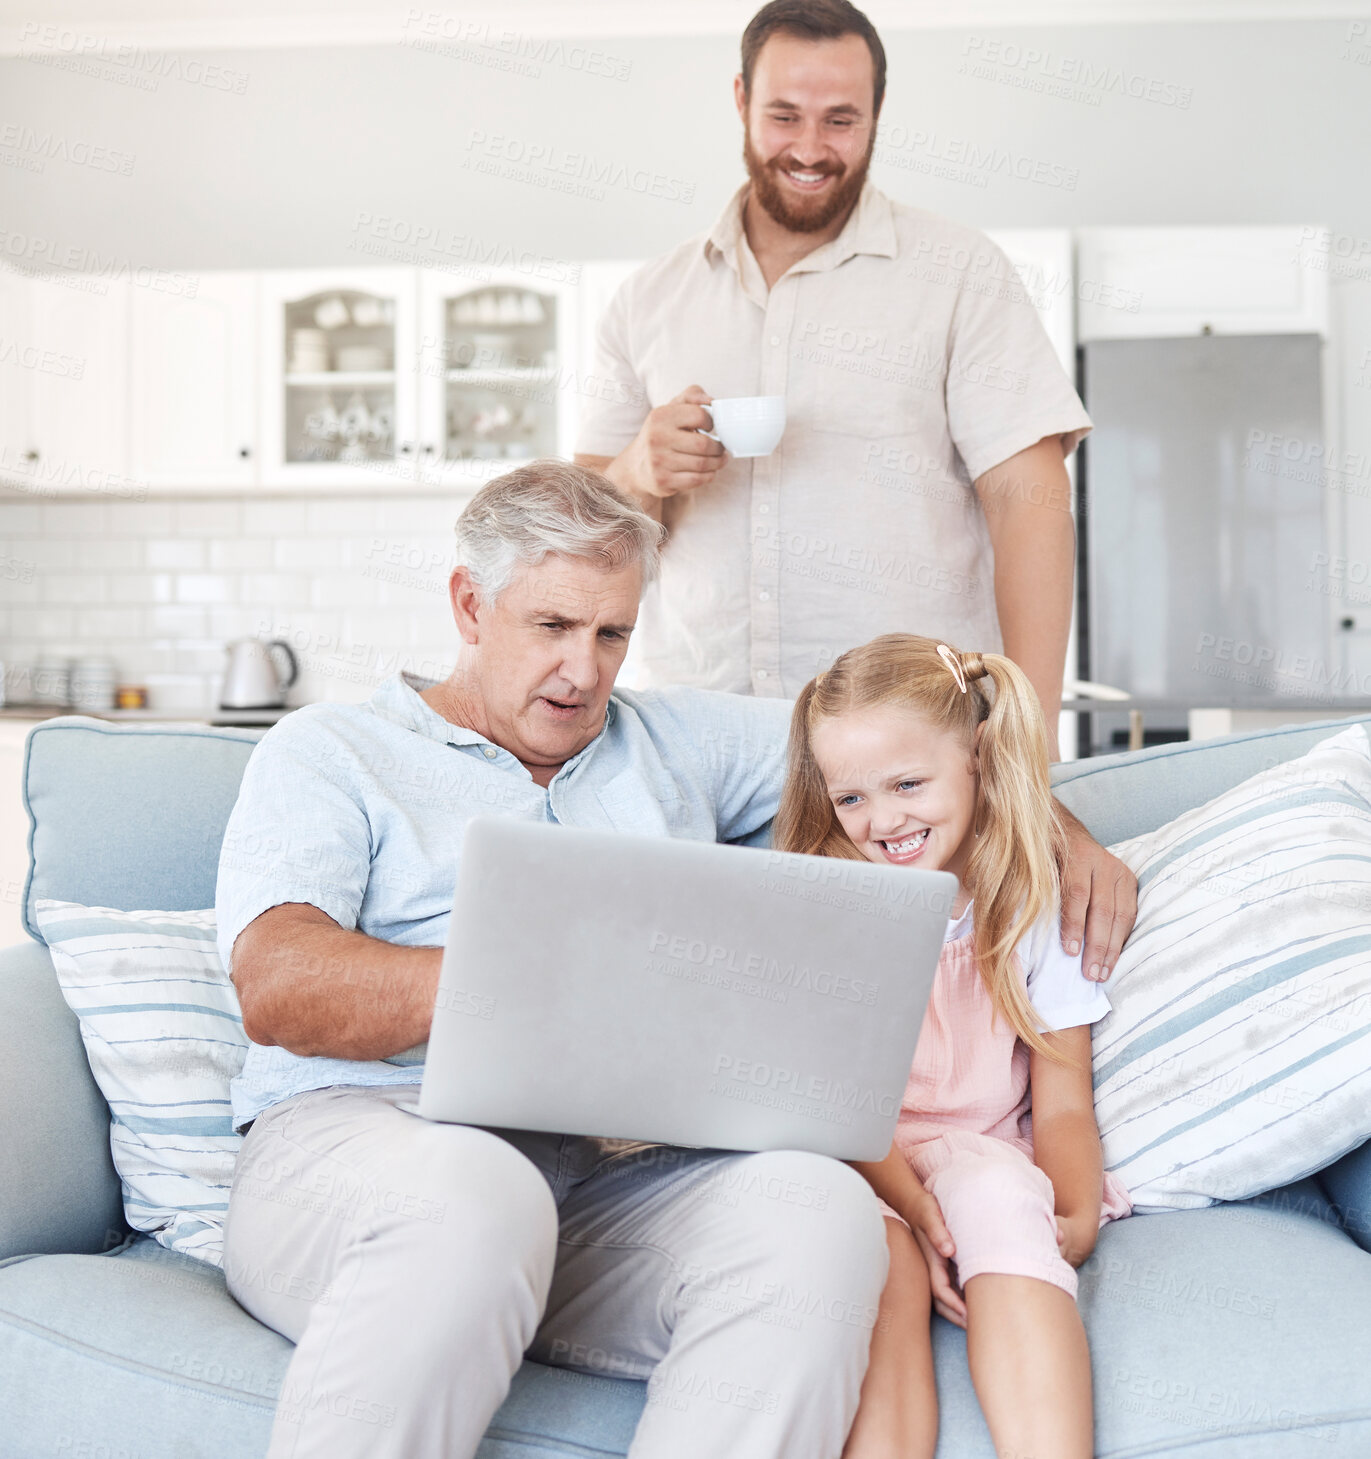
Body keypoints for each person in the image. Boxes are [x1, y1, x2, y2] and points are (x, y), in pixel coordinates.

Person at [216, 463, 1133, 1458]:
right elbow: (280, 984)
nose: (583, 672)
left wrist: (1060, 826)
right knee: (479, 1192)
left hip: (613, 1181)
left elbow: (920, 739)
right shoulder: (332, 751)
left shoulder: (678, 740)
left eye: (612, 634)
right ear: (469, 604)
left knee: (821, 1209)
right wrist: (542, 975)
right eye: (552, 627)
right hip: (369, 1150)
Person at [575, 0, 1088, 740]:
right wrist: (633, 472)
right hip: (698, 744)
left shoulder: (959, 273)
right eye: (783, 116)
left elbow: (1030, 505)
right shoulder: (648, 298)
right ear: (740, 100)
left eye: (840, 120)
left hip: (910, 750)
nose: (810, 149)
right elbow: (580, 538)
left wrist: (1027, 746)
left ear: (878, 112)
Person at [773, 633, 1133, 1459]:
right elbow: (831, 1104)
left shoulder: (1031, 900)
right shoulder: (823, 907)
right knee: (875, 1261)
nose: (884, 819)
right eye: (851, 797)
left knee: (1009, 1206)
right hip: (857, 1154)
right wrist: (922, 1220)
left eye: (907, 783)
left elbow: (1064, 1098)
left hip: (978, 1147)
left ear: (975, 757)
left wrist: (1071, 1210)